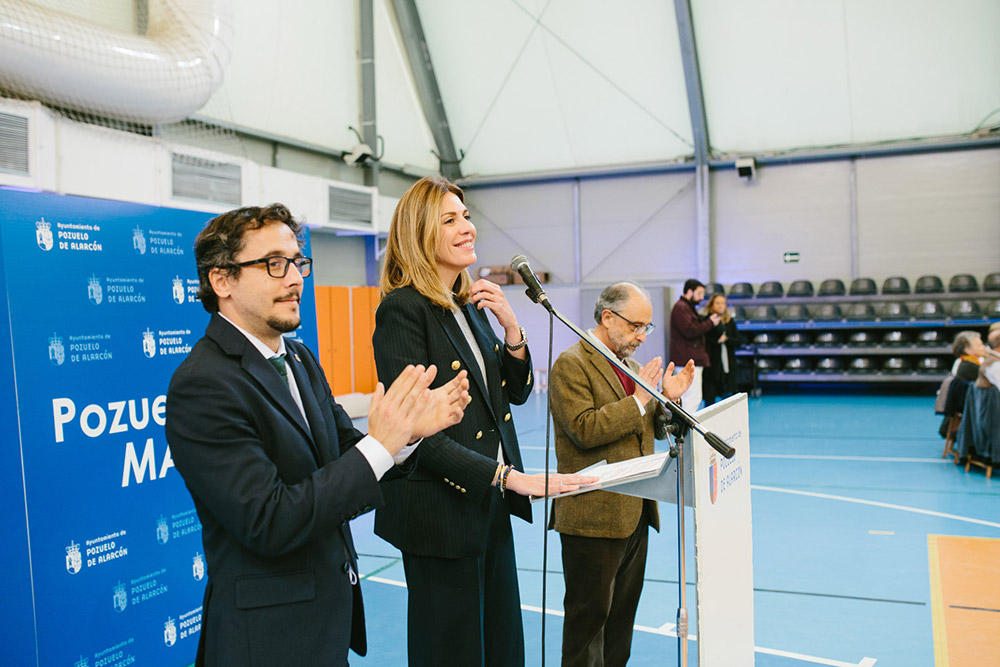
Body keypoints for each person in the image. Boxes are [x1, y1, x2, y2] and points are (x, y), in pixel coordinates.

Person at [165, 204, 470, 667]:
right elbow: (269, 521)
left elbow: (345, 453)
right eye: (273, 264)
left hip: (326, 623)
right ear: (221, 281)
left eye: (297, 261)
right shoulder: (203, 384)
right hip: (268, 640)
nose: (294, 278)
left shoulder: (301, 359)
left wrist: (406, 437)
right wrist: (381, 443)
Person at [371, 176, 595, 667]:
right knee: (451, 651)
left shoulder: (466, 305)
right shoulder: (403, 311)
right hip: (440, 511)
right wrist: (507, 476)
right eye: (449, 220)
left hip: (486, 501)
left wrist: (513, 330)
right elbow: (412, 435)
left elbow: (512, 394)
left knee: (499, 644)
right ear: (420, 234)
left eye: (466, 216)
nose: (467, 227)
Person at [549, 282, 694, 667]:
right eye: (636, 326)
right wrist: (640, 401)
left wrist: (670, 399)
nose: (642, 337)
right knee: (587, 626)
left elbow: (646, 425)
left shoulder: (630, 367)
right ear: (608, 317)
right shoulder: (572, 363)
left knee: (620, 625)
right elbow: (584, 428)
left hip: (634, 514)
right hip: (592, 518)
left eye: (647, 328)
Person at [669, 279, 721, 411]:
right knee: (691, 398)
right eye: (700, 293)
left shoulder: (686, 308)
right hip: (687, 360)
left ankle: (686, 429)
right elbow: (690, 330)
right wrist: (710, 323)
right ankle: (687, 430)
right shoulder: (681, 307)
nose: (702, 297)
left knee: (692, 397)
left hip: (690, 359)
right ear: (690, 291)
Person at [703, 292, 741, 406]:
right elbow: (704, 340)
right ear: (712, 304)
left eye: (723, 303)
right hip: (711, 368)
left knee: (728, 402)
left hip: (727, 368)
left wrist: (726, 339)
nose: (720, 306)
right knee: (709, 402)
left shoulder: (730, 321)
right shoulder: (706, 321)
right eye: (718, 303)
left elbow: (738, 341)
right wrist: (716, 341)